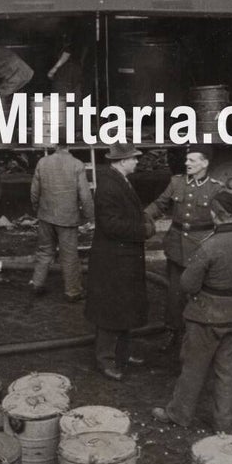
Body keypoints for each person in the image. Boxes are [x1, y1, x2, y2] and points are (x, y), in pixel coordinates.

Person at [151, 190, 232, 433]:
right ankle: (223, 423)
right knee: (227, 370)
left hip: (206, 316)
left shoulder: (208, 246)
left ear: (214, 214)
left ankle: (179, 414)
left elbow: (188, 284)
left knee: (193, 367)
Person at [145, 145, 232, 349]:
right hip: (176, 247)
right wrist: (143, 216)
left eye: (192, 160)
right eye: (187, 159)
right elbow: (159, 204)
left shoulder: (214, 187)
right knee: (174, 295)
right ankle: (173, 331)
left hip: (200, 246)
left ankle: (199, 334)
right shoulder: (176, 182)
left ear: (205, 163)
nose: (187, 163)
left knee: (201, 294)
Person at [85, 142, 155, 381]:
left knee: (124, 307)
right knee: (110, 310)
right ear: (123, 161)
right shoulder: (109, 186)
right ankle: (105, 360)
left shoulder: (119, 180)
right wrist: (142, 230)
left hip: (122, 259)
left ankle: (123, 353)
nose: (137, 161)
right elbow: (111, 225)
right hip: (113, 261)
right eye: (134, 158)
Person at [29, 129, 94, 302]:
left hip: (45, 215)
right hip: (67, 218)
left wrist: (37, 208)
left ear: (55, 144)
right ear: (69, 144)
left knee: (44, 251)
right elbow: (85, 195)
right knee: (69, 256)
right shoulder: (77, 164)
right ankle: (73, 291)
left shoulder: (43, 162)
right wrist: (90, 217)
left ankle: (37, 283)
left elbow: (34, 191)